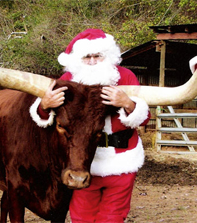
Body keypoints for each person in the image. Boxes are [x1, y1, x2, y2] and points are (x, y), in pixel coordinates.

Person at [30, 28, 150, 222]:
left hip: (121, 159)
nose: (93, 61)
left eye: (98, 56)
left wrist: (127, 103)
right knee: (82, 216)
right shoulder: (68, 80)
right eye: (87, 57)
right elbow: (43, 117)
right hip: (82, 161)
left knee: (113, 217)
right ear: (77, 59)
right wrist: (45, 104)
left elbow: (144, 118)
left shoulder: (125, 77)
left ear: (109, 56)